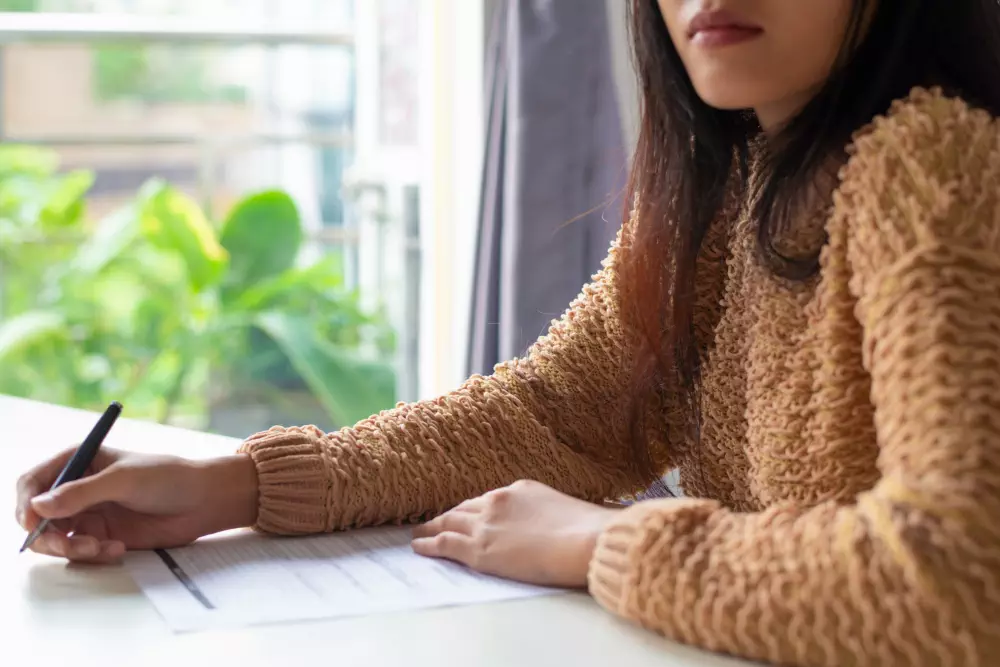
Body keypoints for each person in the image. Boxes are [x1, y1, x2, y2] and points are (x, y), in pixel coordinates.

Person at [14, 1, 1000, 664]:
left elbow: (957, 577)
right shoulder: (736, 183)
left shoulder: (929, 162)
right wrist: (233, 485)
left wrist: (603, 542)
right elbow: (552, 415)